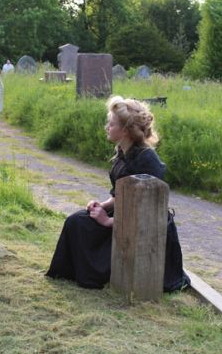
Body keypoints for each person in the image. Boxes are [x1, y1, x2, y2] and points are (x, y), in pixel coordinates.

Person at [46, 95, 190, 291]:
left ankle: (92, 275)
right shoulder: (123, 153)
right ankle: (69, 273)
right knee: (76, 221)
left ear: (125, 130)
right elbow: (119, 195)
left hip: (146, 226)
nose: (107, 127)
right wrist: (102, 206)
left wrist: (107, 221)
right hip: (125, 214)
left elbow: (147, 211)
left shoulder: (147, 159)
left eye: (111, 124)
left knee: (84, 225)